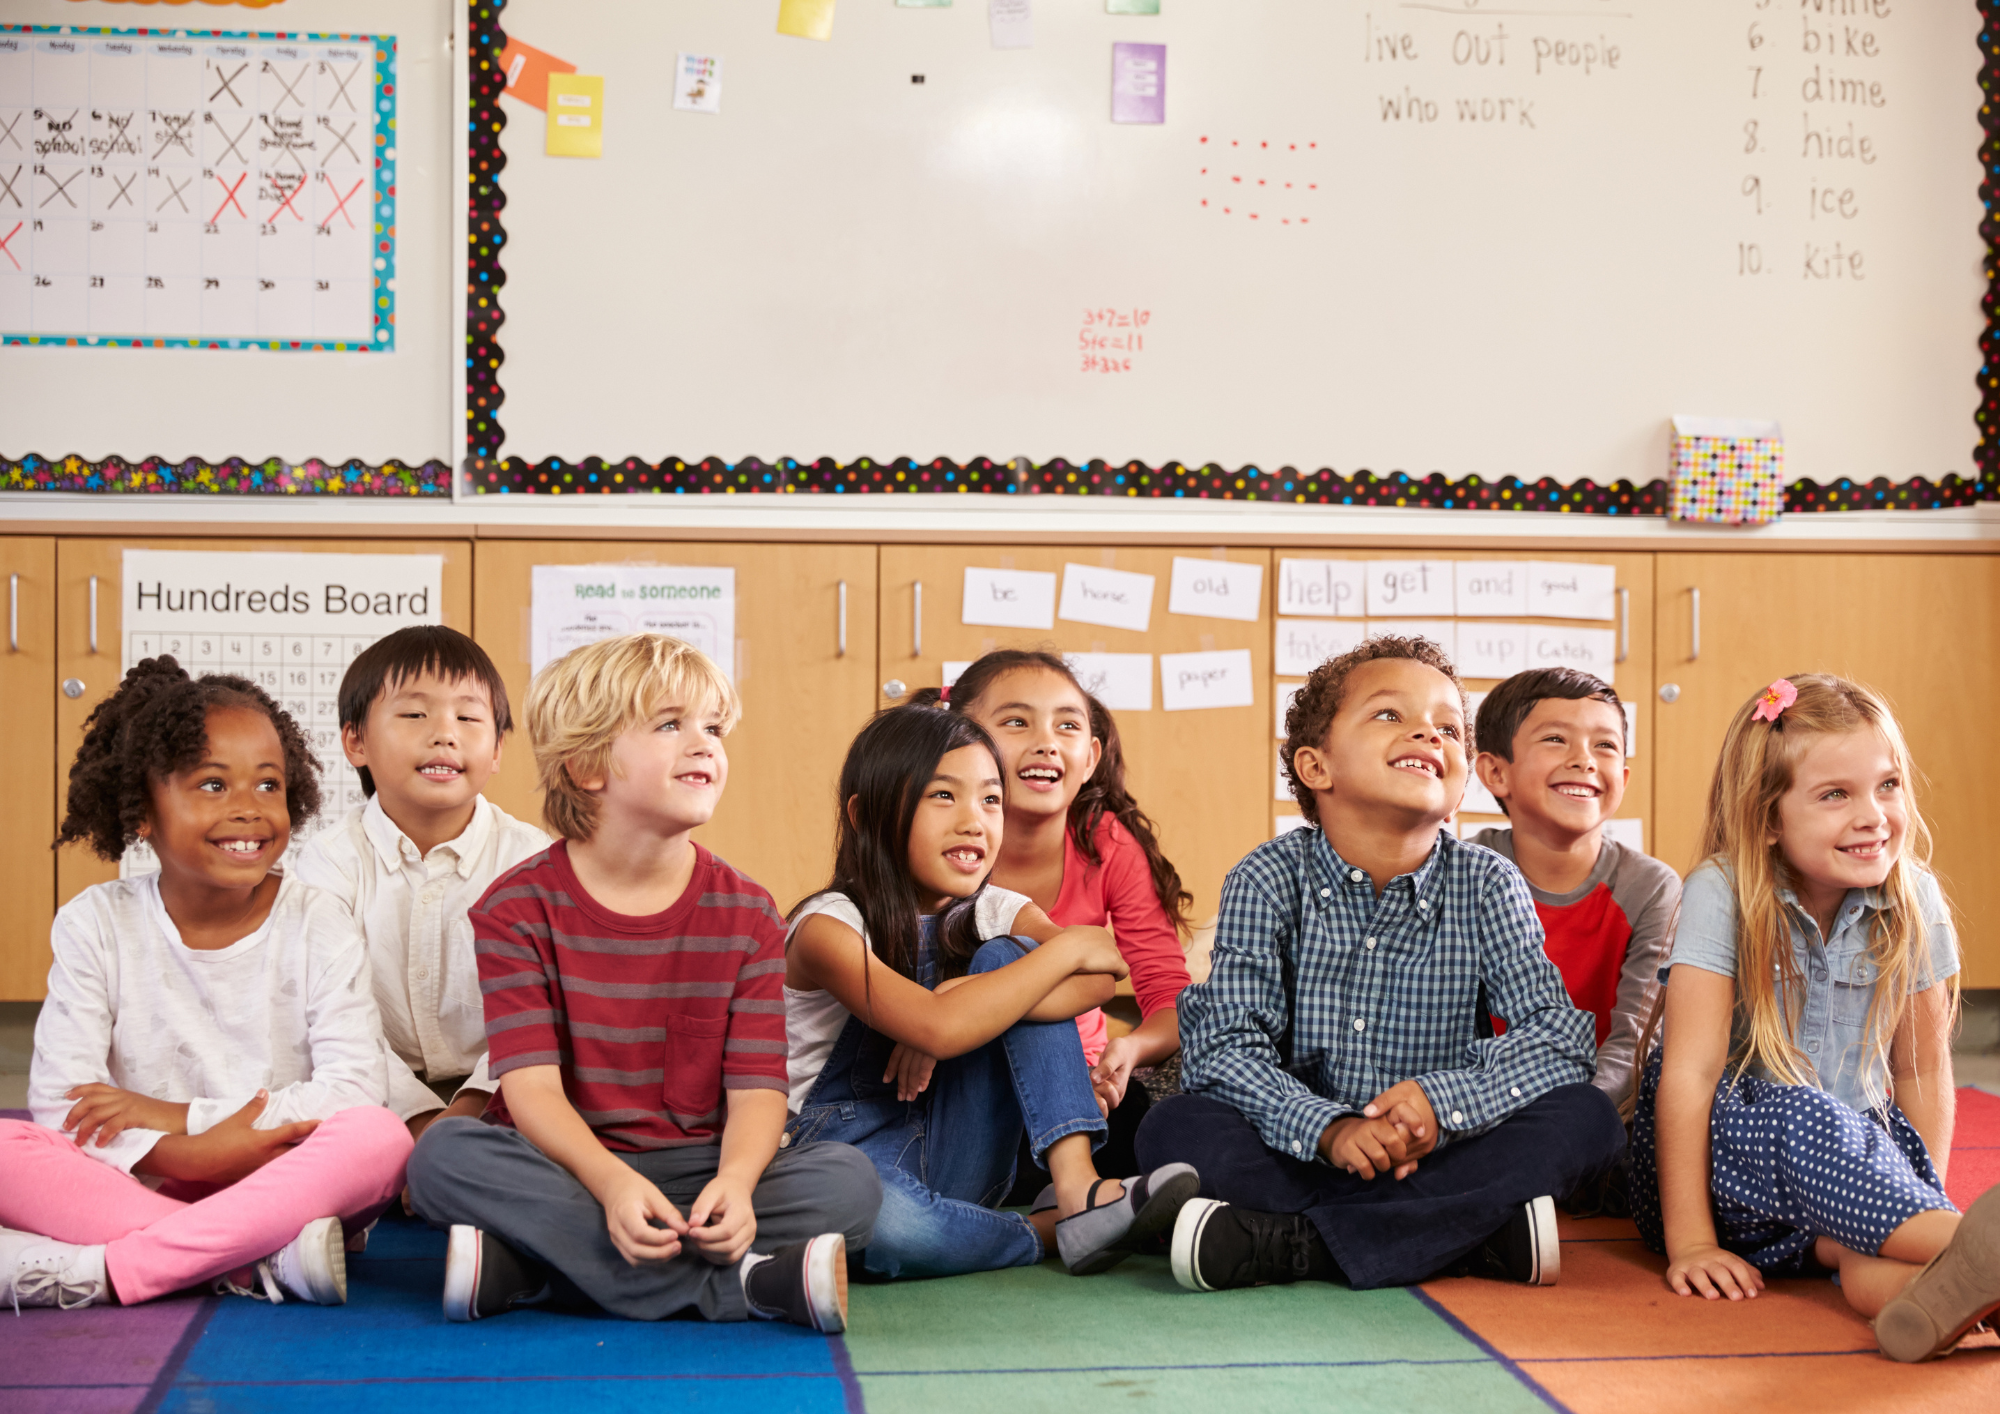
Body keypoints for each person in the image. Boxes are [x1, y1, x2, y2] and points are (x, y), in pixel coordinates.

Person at [404, 633, 880, 1333]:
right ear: (588, 766)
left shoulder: (748, 914)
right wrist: (612, 1184)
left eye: (713, 727)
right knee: (441, 1157)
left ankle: (536, 1269)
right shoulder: (513, 910)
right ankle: (744, 1287)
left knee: (852, 1183)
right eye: (670, 724)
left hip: (698, 1171)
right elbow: (529, 1089)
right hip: (569, 1168)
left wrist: (739, 1186)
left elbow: (758, 1090)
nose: (705, 744)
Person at [1138, 635, 1623, 1294]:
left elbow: (1558, 1040)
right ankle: (1463, 1237)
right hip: (1297, 1149)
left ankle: (1294, 1245)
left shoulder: (1488, 883)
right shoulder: (1267, 877)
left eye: (1448, 727)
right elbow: (1223, 1048)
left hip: (1435, 1155)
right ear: (1316, 767)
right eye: (1392, 715)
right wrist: (1329, 1129)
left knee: (1586, 1119)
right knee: (1174, 1126)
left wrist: (1442, 1103)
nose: (1429, 733)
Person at [0, 657, 408, 1310]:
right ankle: (252, 1260)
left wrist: (189, 1124)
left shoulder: (317, 920)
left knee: (380, 1137)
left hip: (282, 1177)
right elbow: (60, 1103)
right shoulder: (95, 922)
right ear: (141, 811)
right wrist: (186, 1158)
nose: (248, 809)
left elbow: (353, 1090)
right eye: (212, 785)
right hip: (145, 1182)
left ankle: (105, 1270)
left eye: (268, 785)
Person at [1631, 674, 2000, 1363]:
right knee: (1810, 1115)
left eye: (1887, 785)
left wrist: (1916, 1199)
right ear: (1768, 819)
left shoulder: (1914, 896)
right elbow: (1690, 1073)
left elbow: (1921, 1074)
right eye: (1836, 795)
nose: (1873, 816)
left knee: (1863, 1247)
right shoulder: (1723, 888)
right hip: (1723, 1173)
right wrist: (1692, 1242)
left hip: (1847, 1180)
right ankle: (1962, 1242)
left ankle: (1930, 1303)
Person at [783, 703, 1199, 1279]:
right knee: (887, 1224)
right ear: (865, 815)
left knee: (1015, 955)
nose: (974, 821)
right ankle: (1050, 1231)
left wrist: (965, 990)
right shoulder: (827, 928)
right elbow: (938, 1026)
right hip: (844, 1160)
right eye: (943, 796)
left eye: (990, 799)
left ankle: (1077, 1186)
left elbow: (1104, 968)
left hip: (958, 1146)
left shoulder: (991, 909)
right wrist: (949, 1013)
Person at [917, 649, 1191, 1182]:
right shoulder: (936, 838)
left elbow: (1168, 996)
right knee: (1007, 956)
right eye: (1016, 721)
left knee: (1156, 1122)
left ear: (1089, 757)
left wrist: (1128, 1048)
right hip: (955, 1077)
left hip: (1078, 1083)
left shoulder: (1106, 844)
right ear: (959, 740)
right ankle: (1055, 1211)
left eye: (1066, 725)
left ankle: (1071, 1193)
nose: (1045, 741)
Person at [294, 627, 550, 1153]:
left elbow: (541, 1013)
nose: (444, 733)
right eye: (414, 714)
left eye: (469, 716)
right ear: (356, 742)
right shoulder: (329, 862)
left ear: (498, 748)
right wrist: (419, 1120)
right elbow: (334, 1016)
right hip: (369, 1088)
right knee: (331, 1142)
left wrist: (469, 1109)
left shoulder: (530, 858)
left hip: (504, 1089)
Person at [1468, 668, 1680, 1110]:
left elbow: (1634, 1045)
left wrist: (1562, 1120)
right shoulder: (1459, 873)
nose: (1584, 759)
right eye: (1555, 740)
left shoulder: (1652, 888)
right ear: (1494, 771)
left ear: (1622, 777)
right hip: (1470, 1109)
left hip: (1595, 1116)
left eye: (1604, 745)